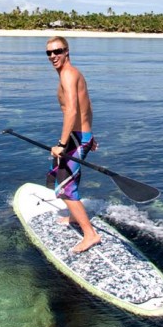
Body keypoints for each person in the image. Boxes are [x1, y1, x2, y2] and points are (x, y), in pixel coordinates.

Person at [44, 36, 101, 253]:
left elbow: (72, 111)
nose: (53, 56)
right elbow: (87, 106)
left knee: (65, 186)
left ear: (67, 51)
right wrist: (89, 135)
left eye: (57, 51)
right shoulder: (74, 74)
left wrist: (61, 143)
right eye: (49, 53)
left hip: (75, 139)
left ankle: (90, 235)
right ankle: (75, 218)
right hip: (80, 136)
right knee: (60, 173)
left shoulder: (68, 75)